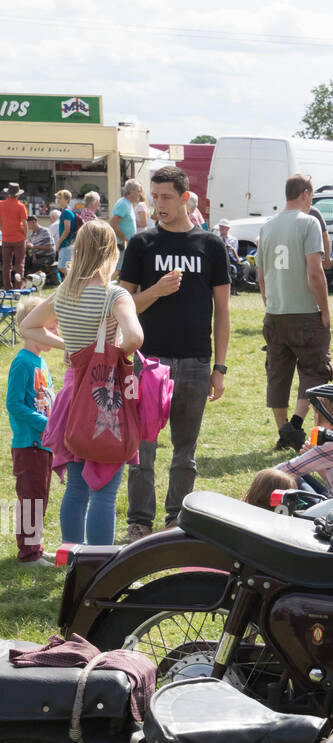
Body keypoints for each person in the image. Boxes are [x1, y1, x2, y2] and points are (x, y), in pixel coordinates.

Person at [119, 164, 230, 539]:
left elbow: (223, 311)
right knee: (142, 450)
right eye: (155, 197)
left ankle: (177, 519)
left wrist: (220, 367)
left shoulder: (210, 245)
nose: (159, 204)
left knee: (186, 451)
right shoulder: (142, 243)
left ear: (185, 198)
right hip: (149, 362)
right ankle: (139, 520)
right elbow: (123, 304)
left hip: (197, 361)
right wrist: (156, 291)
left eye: (166, 197)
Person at [23, 220, 144, 545]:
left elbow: (28, 327)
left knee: (76, 490)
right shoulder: (115, 295)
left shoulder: (64, 294)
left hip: (72, 399)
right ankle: (98, 565)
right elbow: (135, 336)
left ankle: (72, 559)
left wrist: (72, 349)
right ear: (110, 252)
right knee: (104, 494)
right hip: (105, 399)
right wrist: (111, 355)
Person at [257, 172, 333, 452]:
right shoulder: (309, 222)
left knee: (277, 374)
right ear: (305, 193)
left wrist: (270, 303)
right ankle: (297, 426)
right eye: (311, 195)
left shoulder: (267, 226)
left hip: (275, 313)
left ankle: (283, 430)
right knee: (315, 371)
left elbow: (261, 276)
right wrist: (324, 310)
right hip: (304, 313)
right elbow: (315, 272)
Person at [5, 297, 56, 564]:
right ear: (33, 329)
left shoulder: (42, 363)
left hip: (44, 444)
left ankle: (35, 546)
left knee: (40, 496)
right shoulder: (22, 362)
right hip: (29, 444)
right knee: (31, 498)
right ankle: (28, 553)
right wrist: (46, 425)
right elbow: (13, 404)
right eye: (52, 327)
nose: (56, 333)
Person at [1, 183, 29, 289]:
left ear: (8, 193)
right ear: (18, 194)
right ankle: (18, 287)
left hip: (6, 238)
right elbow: (25, 223)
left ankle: (7, 287)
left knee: (6, 265)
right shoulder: (20, 206)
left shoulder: (1, 204)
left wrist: (3, 229)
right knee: (19, 265)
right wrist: (25, 235)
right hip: (19, 238)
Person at [110, 179, 143, 250]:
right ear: (131, 191)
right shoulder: (123, 204)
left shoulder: (128, 203)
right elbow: (112, 223)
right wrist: (123, 240)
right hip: (120, 246)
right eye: (138, 191)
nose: (140, 193)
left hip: (124, 245)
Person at [55, 189, 78, 276]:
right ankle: (70, 283)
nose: (58, 200)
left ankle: (74, 280)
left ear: (67, 200)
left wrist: (59, 243)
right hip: (69, 244)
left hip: (66, 244)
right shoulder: (69, 211)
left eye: (60, 198)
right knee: (68, 267)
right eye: (58, 198)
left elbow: (67, 229)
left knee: (62, 266)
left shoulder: (66, 212)